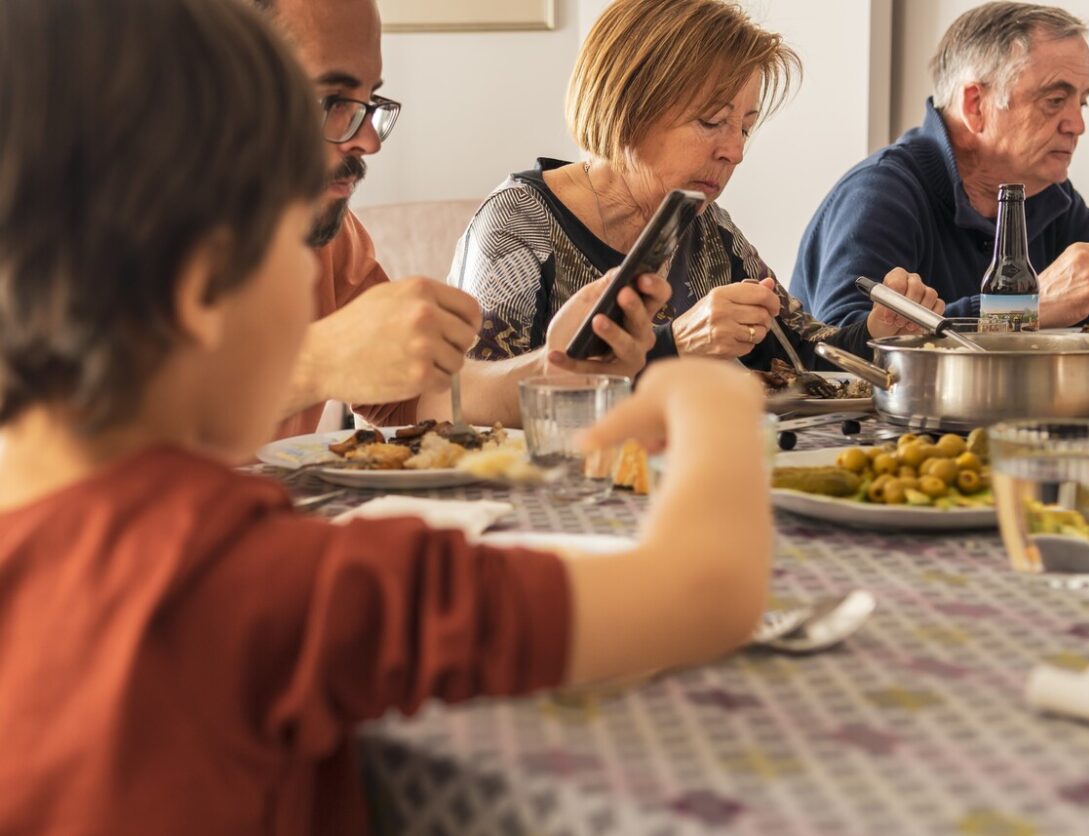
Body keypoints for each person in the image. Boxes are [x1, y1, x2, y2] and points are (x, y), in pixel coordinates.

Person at [0, 0, 774, 833]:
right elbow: (705, 592)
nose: (363, 140)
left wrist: (554, 369)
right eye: (284, 250)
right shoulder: (271, 583)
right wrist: (710, 404)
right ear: (201, 290)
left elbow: (429, 399)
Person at [455, 0, 942, 378]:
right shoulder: (520, 220)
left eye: (745, 128)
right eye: (711, 122)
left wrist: (879, 330)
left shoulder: (704, 226)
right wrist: (676, 344)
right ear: (628, 106)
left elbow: (804, 353)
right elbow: (483, 399)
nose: (736, 151)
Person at [262, 0, 670, 436]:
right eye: (333, 101)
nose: (368, 141)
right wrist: (318, 362)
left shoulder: (329, 234)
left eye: (369, 101)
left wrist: (558, 368)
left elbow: (418, 399)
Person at [790, 1, 1089, 329]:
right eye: (1055, 100)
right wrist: (1023, 310)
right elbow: (841, 340)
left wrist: (1071, 303)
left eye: (1081, 103)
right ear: (975, 105)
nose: (1078, 125)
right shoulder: (880, 192)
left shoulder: (1047, 198)